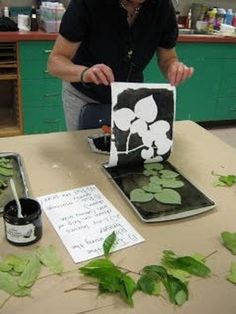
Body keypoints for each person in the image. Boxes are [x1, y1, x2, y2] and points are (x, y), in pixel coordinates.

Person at [48, 0, 194, 130]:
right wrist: (84, 73)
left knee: (127, 154)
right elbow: (55, 61)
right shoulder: (87, 4)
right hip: (84, 96)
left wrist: (173, 67)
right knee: (83, 153)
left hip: (130, 97)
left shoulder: (162, 7)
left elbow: (167, 58)